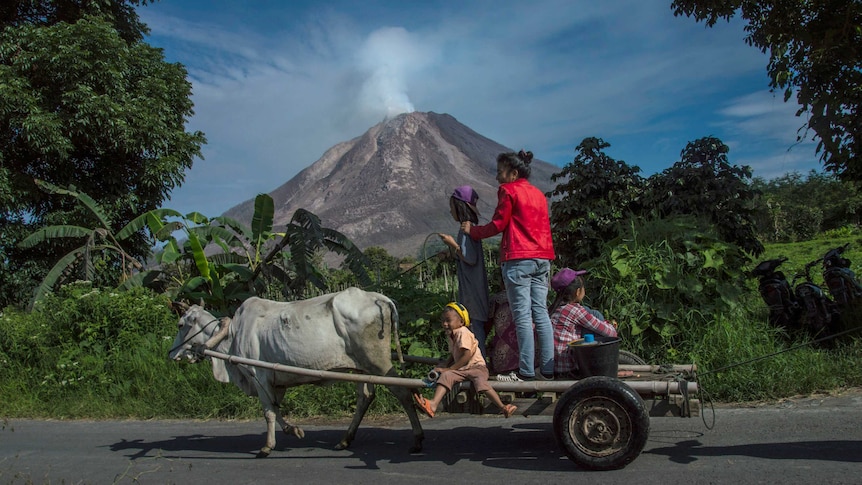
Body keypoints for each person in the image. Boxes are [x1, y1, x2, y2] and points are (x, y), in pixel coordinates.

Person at [462, 150, 556, 382]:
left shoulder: (508, 190)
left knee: (522, 316)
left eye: (500, 172)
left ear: (513, 173)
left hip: (518, 259)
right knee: (541, 314)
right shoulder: (538, 194)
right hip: (542, 258)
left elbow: (498, 224)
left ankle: (525, 372)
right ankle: (548, 369)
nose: (497, 177)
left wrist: (472, 232)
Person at [413, 302, 517, 418]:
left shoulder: (463, 332)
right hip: (462, 369)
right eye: (443, 321)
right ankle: (433, 404)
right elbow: (454, 354)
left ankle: (502, 407)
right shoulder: (451, 335)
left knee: (481, 383)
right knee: (446, 376)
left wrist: (450, 368)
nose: (445, 324)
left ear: (461, 322)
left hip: (476, 367)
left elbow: (466, 355)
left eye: (448, 321)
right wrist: (445, 367)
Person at [437, 185, 490, 358]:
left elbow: (470, 258)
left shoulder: (465, 231)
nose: (450, 210)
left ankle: (479, 363)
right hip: (473, 285)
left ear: (459, 207)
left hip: (472, 288)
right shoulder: (469, 228)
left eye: (452, 206)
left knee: (474, 325)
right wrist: (452, 252)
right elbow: (465, 255)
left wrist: (452, 244)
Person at [549, 268, 619, 379]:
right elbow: (611, 333)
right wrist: (610, 326)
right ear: (577, 292)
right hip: (569, 370)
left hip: (554, 367)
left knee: (590, 312)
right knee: (596, 316)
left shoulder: (553, 309)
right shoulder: (575, 311)